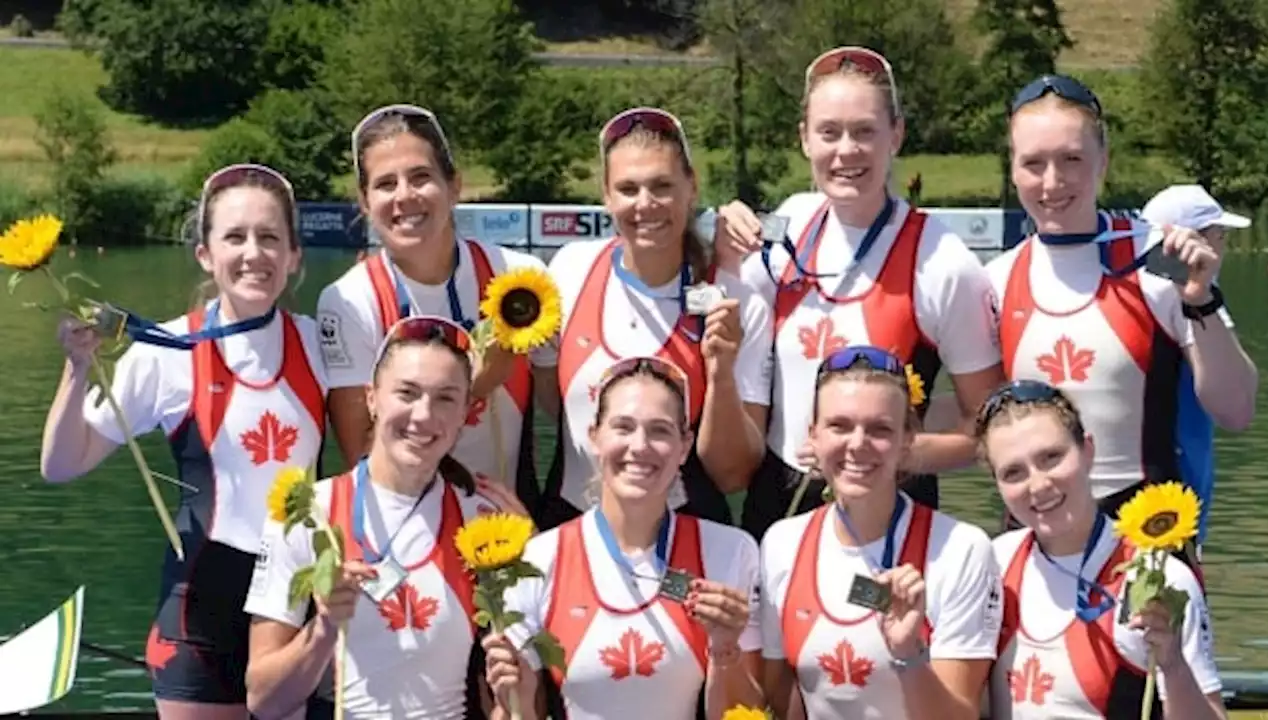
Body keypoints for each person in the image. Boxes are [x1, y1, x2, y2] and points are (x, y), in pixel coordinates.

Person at [39, 164, 325, 719]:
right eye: (234, 237)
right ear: (204, 254)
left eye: (270, 238)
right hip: (200, 607)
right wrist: (77, 370)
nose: (253, 253)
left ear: (293, 257)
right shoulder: (166, 351)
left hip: (295, 605)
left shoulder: (322, 346)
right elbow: (62, 465)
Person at [714, 46, 1005, 539]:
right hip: (781, 503)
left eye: (865, 131)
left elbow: (993, 427)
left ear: (897, 135)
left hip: (890, 507)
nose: (846, 150)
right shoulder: (785, 229)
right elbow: (718, 318)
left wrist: (909, 453)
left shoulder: (943, 263)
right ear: (804, 138)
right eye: (829, 132)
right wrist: (721, 248)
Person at [985, 75, 1258, 529]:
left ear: (1103, 161)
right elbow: (969, 420)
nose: (1052, 182)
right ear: (1013, 169)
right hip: (1033, 544)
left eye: (1072, 159)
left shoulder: (1161, 263)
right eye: (1034, 163)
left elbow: (1237, 410)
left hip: (1148, 548)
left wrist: (1201, 300)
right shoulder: (994, 282)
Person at [244, 316, 527, 719]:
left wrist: (534, 558)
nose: (424, 416)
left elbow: (512, 699)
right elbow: (264, 701)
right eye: (407, 393)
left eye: (446, 398)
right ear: (372, 398)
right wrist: (324, 627)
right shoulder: (309, 517)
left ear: (467, 411)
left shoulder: (485, 525)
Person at [482, 356, 763, 719]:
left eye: (660, 430)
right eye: (623, 427)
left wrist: (725, 652)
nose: (640, 446)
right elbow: (519, 714)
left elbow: (747, 712)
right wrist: (514, 698)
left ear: (684, 446)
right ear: (595, 437)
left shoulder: (729, 552)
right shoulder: (537, 561)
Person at [531, 106, 773, 529]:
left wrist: (721, 374)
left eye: (662, 185)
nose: (646, 204)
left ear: (691, 187)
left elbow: (732, 474)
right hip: (572, 524)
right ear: (606, 195)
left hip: (685, 533)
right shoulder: (570, 271)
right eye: (628, 188)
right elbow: (557, 405)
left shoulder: (737, 300)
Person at [316, 103, 554, 511]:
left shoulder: (520, 276)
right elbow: (362, 452)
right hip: (406, 533)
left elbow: (565, 414)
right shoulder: (348, 301)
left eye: (421, 177)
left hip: (510, 523)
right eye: (385, 183)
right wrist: (476, 384)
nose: (405, 196)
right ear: (363, 201)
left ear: (454, 185)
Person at [758, 346, 1001, 719]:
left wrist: (909, 655)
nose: (857, 445)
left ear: (907, 440)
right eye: (839, 426)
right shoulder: (781, 543)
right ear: (814, 436)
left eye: (880, 429)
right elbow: (782, 698)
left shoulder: (961, 549)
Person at [976, 379, 1226, 719]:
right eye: (1013, 472)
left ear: (1088, 450)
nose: (1038, 484)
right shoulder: (990, 563)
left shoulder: (1159, 578)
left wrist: (1174, 665)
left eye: (1051, 457)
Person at [1140, 184, 1253, 544]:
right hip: (1171, 496)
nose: (1223, 246)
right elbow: (1238, 411)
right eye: (1219, 234)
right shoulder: (1185, 296)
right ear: (1192, 240)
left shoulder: (1127, 289)